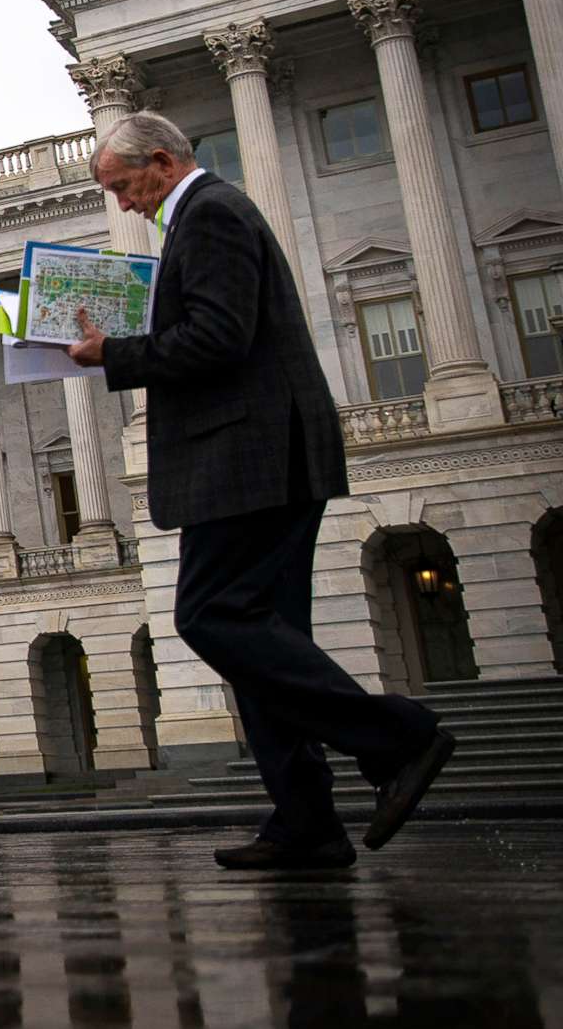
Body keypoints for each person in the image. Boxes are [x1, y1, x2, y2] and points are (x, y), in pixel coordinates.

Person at [68, 111, 456, 870]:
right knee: (261, 637)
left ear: (159, 161)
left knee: (210, 615)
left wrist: (111, 352)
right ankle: (307, 820)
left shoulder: (209, 214)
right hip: (262, 451)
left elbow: (218, 338)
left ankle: (397, 738)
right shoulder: (209, 218)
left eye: (121, 186)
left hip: (248, 456)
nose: (122, 204)